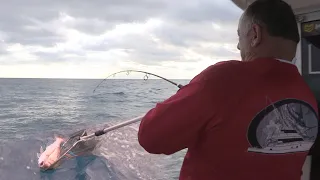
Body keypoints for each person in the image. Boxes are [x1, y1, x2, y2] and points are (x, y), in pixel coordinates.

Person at [137, 0, 320, 179]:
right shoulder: (307, 94)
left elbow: (151, 137)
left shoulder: (224, 78)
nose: (239, 46)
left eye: (240, 36)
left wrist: (188, 95)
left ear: (255, 34)